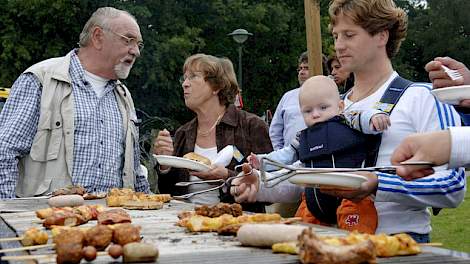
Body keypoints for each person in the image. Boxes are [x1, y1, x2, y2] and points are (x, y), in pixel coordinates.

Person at [232, 0, 466, 242]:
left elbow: (452, 187)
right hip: (328, 241)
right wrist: (259, 185)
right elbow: (311, 179)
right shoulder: (329, 106)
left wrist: (377, 184)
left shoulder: (423, 97)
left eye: (349, 35)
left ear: (381, 36)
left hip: (397, 243)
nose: (339, 46)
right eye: (335, 36)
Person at [0, 7, 150, 199]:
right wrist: (9, 217)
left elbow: (135, 171)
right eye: (128, 40)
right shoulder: (41, 80)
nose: (136, 51)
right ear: (97, 37)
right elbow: (4, 152)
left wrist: (151, 212)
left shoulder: (124, 96)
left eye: (139, 44)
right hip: (48, 224)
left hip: (110, 224)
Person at [241, 75, 390, 234]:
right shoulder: (302, 137)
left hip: (352, 196)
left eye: (323, 108)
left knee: (358, 233)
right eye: (308, 110)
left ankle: (359, 250)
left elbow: (362, 117)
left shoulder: (347, 120)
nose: (315, 114)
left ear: (340, 106)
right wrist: (263, 161)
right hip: (313, 201)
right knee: (301, 233)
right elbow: (286, 156)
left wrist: (375, 117)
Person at [153, 53, 272, 212]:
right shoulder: (183, 133)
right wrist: (165, 166)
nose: (185, 84)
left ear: (216, 86)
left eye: (193, 77)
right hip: (187, 222)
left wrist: (227, 177)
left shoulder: (251, 126)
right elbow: (168, 192)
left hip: (238, 223)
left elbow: (271, 184)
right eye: (184, 78)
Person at [391, 58, 470, 179]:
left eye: (351, 37)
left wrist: (453, 143)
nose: (349, 43)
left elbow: (450, 181)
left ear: (382, 38)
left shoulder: (423, 94)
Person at [269, 51, 309, 151]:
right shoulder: (288, 97)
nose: (301, 72)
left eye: (307, 68)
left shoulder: (330, 97)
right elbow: (275, 130)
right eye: (300, 69)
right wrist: (280, 153)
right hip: (289, 161)